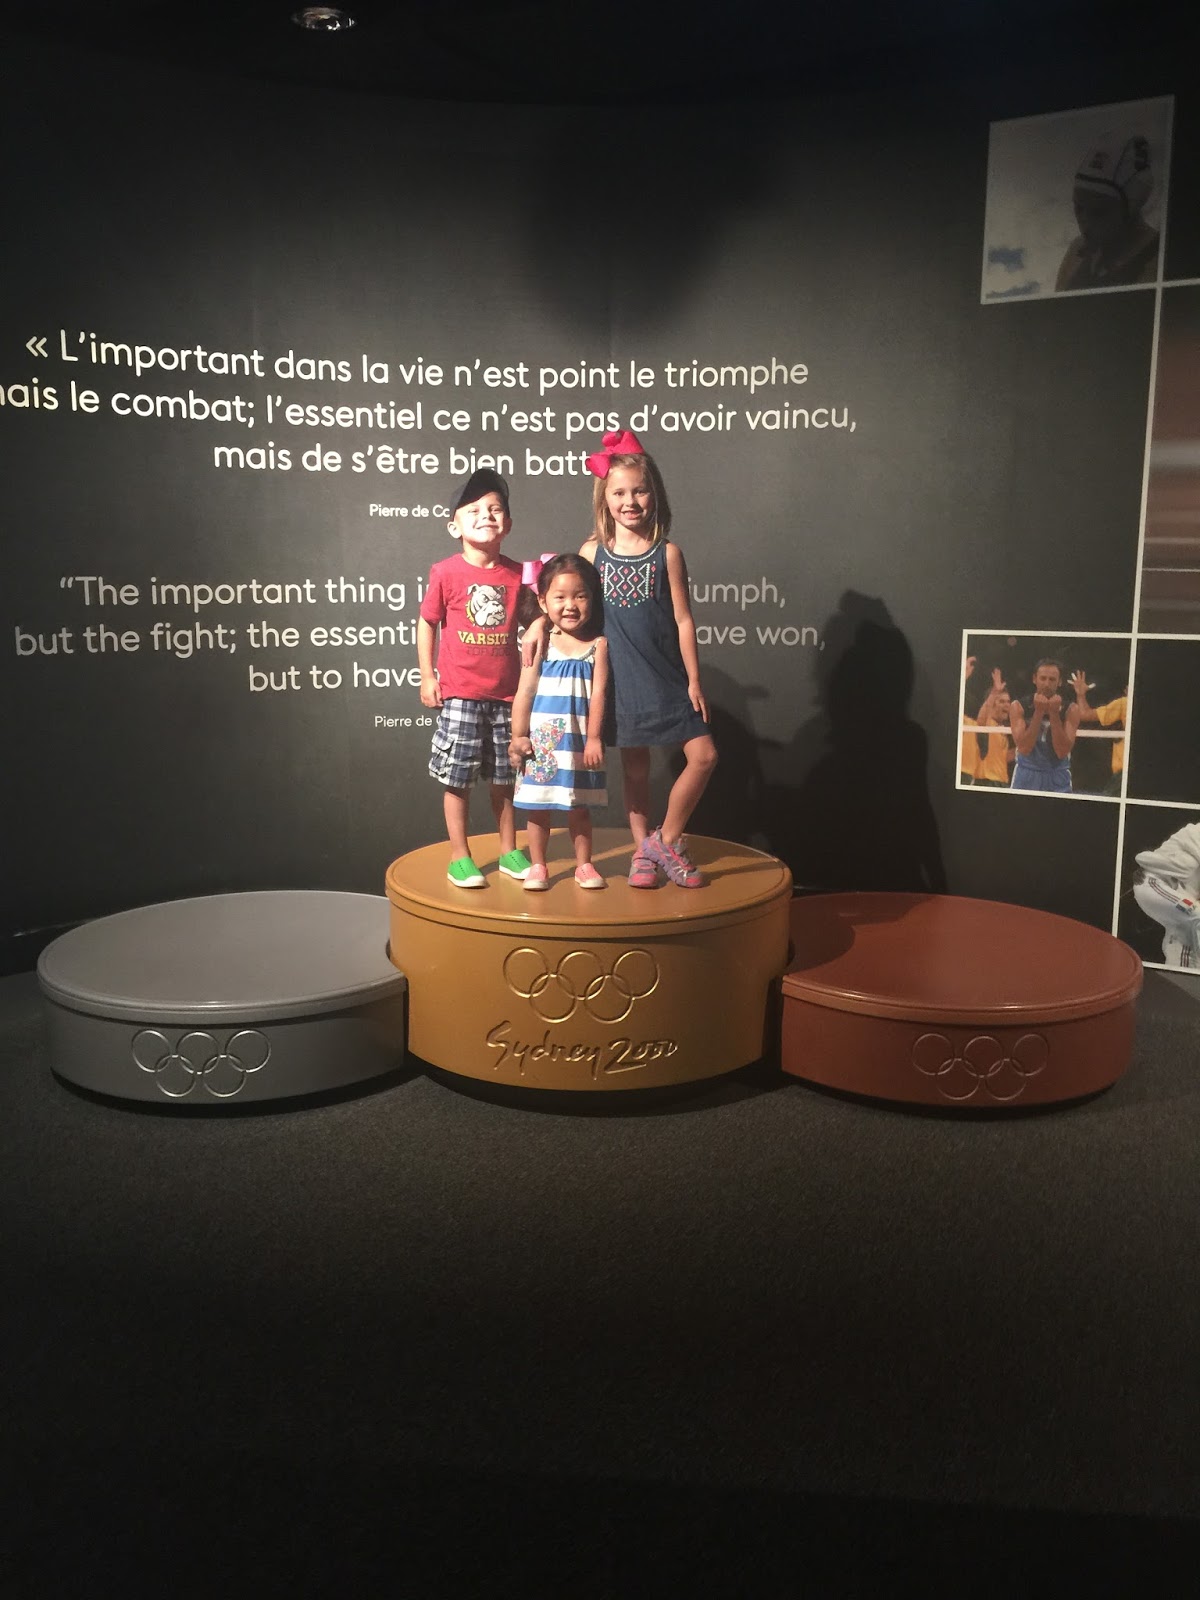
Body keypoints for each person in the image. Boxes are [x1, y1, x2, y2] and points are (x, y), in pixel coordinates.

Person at [529, 428, 716, 887]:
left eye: (639, 491)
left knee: (704, 756)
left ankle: (663, 841)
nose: (630, 501)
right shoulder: (593, 552)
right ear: (605, 498)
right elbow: (569, 603)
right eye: (619, 493)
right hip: (618, 678)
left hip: (666, 677)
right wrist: (539, 624)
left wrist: (693, 679)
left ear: (655, 495)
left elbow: (684, 620)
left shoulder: (668, 554)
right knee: (635, 770)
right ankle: (641, 856)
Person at [417, 466, 536, 888]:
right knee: (458, 779)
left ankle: (508, 851)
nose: (486, 515)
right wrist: (427, 675)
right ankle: (460, 856)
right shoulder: (445, 572)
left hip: (508, 698)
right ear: (455, 526)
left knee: (506, 779)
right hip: (461, 695)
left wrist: (539, 626)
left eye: (495, 509)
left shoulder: (519, 575)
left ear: (508, 523)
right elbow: (427, 622)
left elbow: (537, 619)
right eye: (474, 510)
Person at [508, 554, 609, 890]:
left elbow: (599, 694)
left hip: (579, 743)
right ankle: (538, 865)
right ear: (542, 601)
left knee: (579, 808)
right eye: (560, 597)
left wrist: (594, 738)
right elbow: (525, 691)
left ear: (592, 598)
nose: (570, 606)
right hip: (542, 745)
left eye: (580, 596)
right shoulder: (541, 642)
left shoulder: (598, 645)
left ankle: (584, 865)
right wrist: (518, 736)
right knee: (537, 809)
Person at [1055, 135, 1160, 293]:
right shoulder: (1076, 252)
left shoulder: (1158, 262)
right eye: (1078, 208)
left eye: (1098, 212)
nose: (1085, 221)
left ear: (1130, 210)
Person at [1133, 821, 1200, 969]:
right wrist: (1146, 867)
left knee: (1185, 926)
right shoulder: (1194, 834)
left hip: (1174, 889)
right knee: (1194, 916)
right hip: (1153, 883)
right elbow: (1144, 859)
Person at [1007, 658, 1080, 794]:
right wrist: (1039, 712)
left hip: (1057, 775)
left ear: (1060, 682)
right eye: (1043, 678)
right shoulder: (1018, 706)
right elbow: (1024, 748)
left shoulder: (1071, 709)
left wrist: (1054, 713)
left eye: (1052, 679)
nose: (1047, 684)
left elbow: (1062, 751)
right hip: (1027, 774)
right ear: (1034, 679)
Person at [1072, 673, 1127, 797]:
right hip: (1122, 773)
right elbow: (1085, 715)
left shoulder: (1125, 703)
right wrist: (1080, 694)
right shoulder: (1124, 704)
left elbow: (1085, 714)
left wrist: (1080, 694)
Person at [971, 670, 1014, 789]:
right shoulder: (988, 723)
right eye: (1001, 701)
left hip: (1002, 782)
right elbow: (982, 718)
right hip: (986, 781)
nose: (1007, 705)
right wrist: (994, 692)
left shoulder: (1001, 730)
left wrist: (1023, 748)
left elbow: (1002, 758)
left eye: (1008, 701)